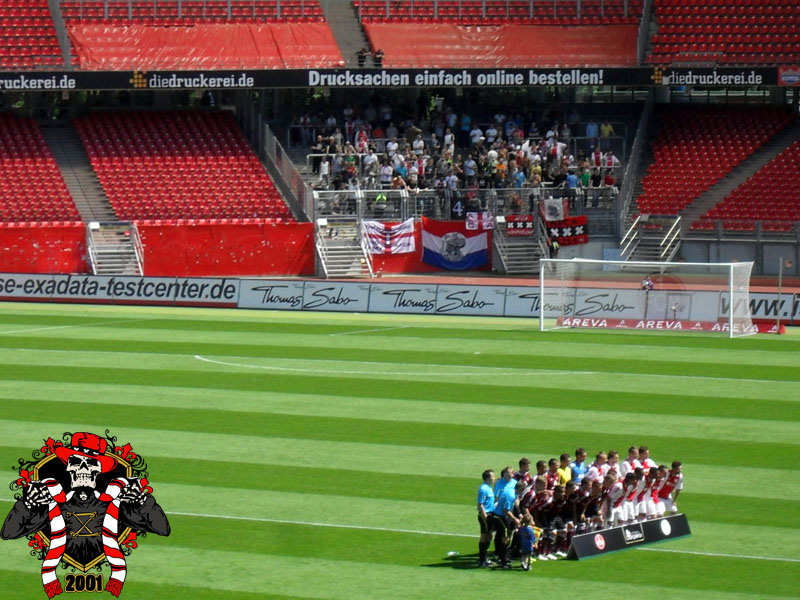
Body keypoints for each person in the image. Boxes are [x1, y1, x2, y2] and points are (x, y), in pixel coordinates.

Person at [477, 470, 496, 567]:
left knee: (490, 535)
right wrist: (485, 516)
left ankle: (484, 557)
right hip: (485, 515)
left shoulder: (489, 487)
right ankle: (481, 559)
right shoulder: (483, 489)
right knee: (484, 535)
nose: (494, 478)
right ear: (488, 478)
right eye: (493, 476)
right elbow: (480, 504)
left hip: (491, 513)